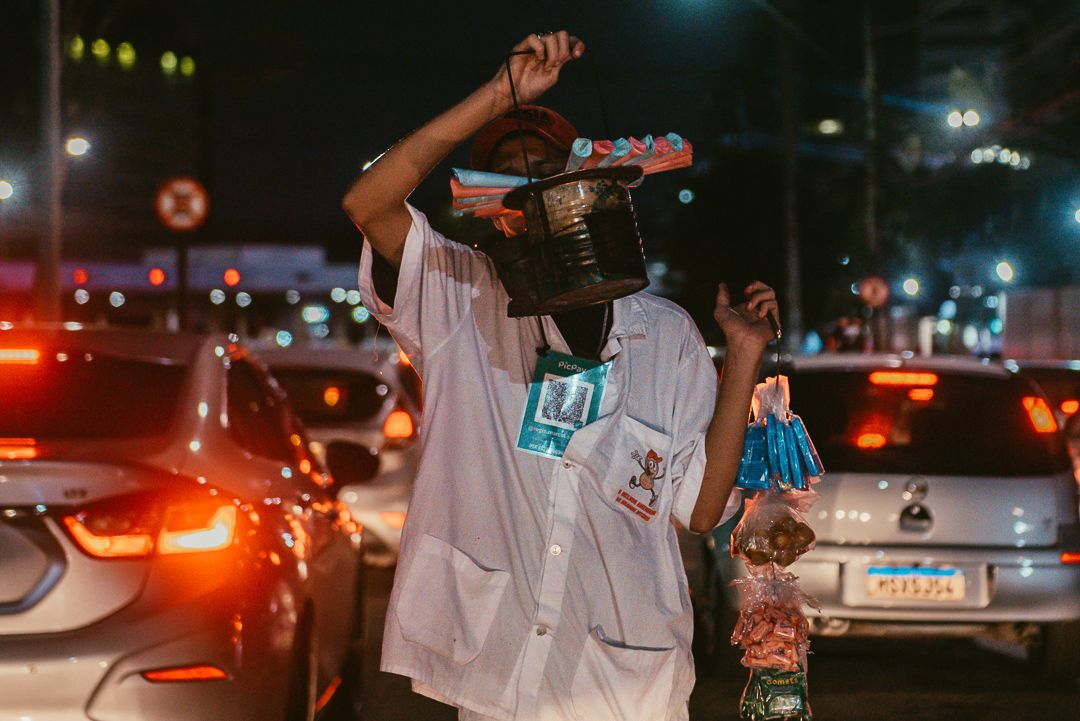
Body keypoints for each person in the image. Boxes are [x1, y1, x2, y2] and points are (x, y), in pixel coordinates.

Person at [343, 31, 779, 721]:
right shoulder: (464, 299)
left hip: (627, 684)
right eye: (507, 180)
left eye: (545, 172)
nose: (533, 193)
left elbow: (698, 510)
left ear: (594, 189)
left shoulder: (666, 335)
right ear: (496, 213)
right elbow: (370, 204)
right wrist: (495, 94)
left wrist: (745, 358)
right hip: (500, 678)